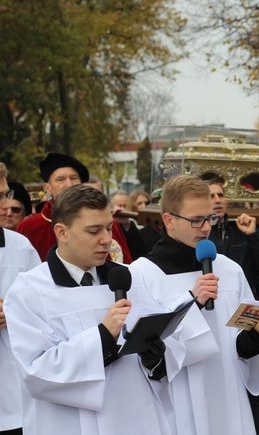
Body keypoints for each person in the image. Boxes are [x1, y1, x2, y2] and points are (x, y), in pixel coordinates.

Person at [3, 185, 173, 435]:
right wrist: (104, 335)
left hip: (136, 419)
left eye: (108, 228)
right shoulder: (29, 291)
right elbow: (36, 374)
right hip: (69, 424)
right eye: (94, 231)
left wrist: (155, 358)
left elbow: (164, 354)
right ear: (62, 232)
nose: (107, 239)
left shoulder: (129, 277)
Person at [129, 174, 259, 435]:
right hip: (176, 402)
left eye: (210, 218)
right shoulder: (142, 275)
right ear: (169, 220)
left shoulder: (229, 270)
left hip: (228, 396)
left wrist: (250, 343)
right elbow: (142, 357)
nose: (206, 228)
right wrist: (190, 303)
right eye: (196, 220)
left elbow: (235, 343)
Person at [207, 178, 259, 435]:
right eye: (211, 195)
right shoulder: (201, 237)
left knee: (257, 387)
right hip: (219, 318)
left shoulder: (241, 230)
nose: (217, 200)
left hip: (248, 316)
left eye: (220, 195)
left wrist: (254, 236)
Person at [16, 153, 132, 264]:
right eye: (61, 179)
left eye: (73, 178)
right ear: (48, 188)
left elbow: (124, 266)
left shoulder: (106, 223)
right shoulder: (29, 228)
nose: (69, 184)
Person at [0, 164, 41, 435]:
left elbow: (43, 303)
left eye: (5, 195)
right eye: (0, 196)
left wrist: (13, 310)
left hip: (11, 389)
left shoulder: (19, 246)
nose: (5, 205)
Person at [110, 190, 146, 260]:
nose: (122, 209)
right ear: (112, 207)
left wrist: (127, 225)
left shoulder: (131, 225)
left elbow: (139, 250)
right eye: (119, 206)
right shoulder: (109, 224)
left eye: (125, 206)